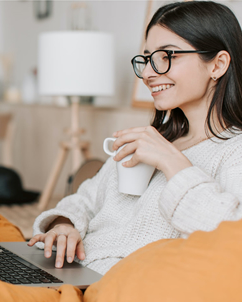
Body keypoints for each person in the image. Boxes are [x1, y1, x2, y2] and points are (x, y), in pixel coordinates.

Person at [28, 1, 242, 276]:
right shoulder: (152, 139)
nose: (149, 73)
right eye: (147, 58)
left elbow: (233, 234)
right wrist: (64, 225)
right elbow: (85, 199)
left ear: (218, 64)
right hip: (68, 270)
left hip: (112, 286)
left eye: (167, 56)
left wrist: (172, 163)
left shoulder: (233, 151)